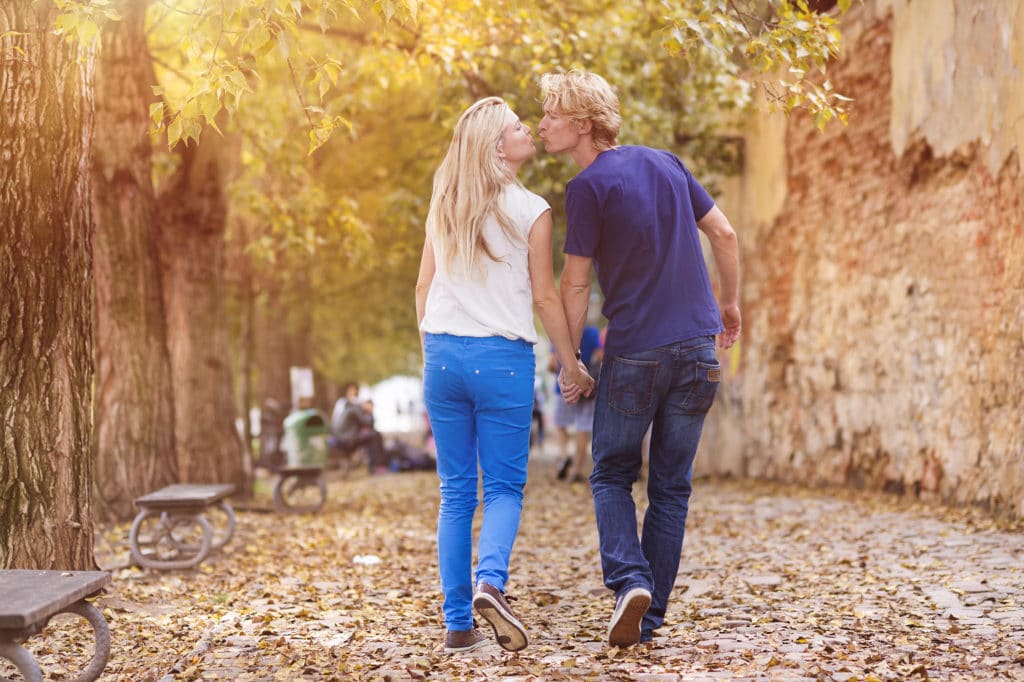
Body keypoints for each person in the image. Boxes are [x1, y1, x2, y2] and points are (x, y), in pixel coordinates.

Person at [538, 70, 742, 648]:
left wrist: (570, 360)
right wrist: (728, 305)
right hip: (700, 349)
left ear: (582, 124)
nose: (543, 124)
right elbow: (724, 235)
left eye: (552, 114)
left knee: (610, 472)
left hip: (635, 355)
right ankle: (647, 621)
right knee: (672, 487)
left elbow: (575, 285)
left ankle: (630, 581)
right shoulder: (669, 164)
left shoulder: (586, 188)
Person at [415, 96, 594, 655]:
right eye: (518, 126)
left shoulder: (444, 201)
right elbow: (545, 295)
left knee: (455, 493)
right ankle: (491, 582)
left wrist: (434, 346)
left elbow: (423, 288)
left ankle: (457, 624)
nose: (527, 131)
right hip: (501, 360)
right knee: (504, 488)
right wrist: (570, 363)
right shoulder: (532, 208)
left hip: (441, 355)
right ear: (499, 146)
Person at [549, 323, 603, 483]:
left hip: (564, 387)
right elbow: (600, 355)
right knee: (583, 427)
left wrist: (563, 368)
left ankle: (565, 455)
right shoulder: (592, 332)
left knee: (559, 424)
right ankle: (577, 470)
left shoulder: (559, 330)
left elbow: (552, 363)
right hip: (586, 385)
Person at [329, 382, 386, 474]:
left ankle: (376, 466)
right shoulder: (353, 407)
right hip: (347, 439)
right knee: (375, 435)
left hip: (341, 437)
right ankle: (377, 467)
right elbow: (368, 422)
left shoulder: (344, 405)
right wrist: (369, 411)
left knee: (371, 435)